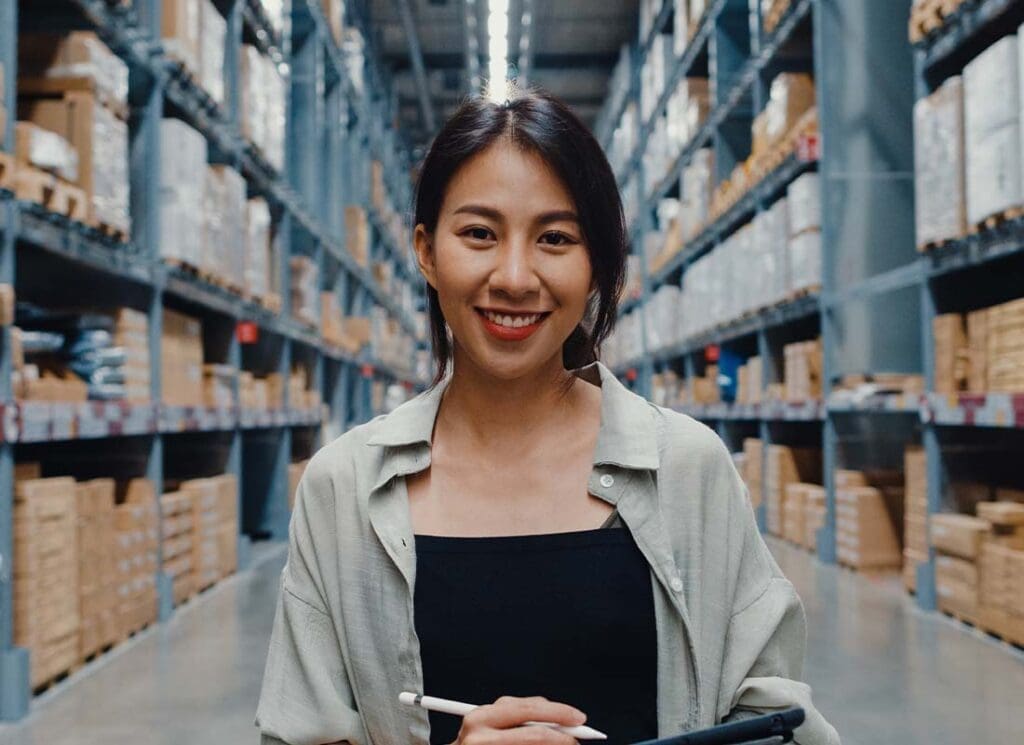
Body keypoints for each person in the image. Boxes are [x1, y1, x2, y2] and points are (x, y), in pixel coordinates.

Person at [255, 88, 839, 745]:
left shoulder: (687, 469)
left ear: (596, 265)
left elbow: (774, 718)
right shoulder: (343, 490)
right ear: (426, 250)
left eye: (555, 238)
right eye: (479, 234)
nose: (514, 276)